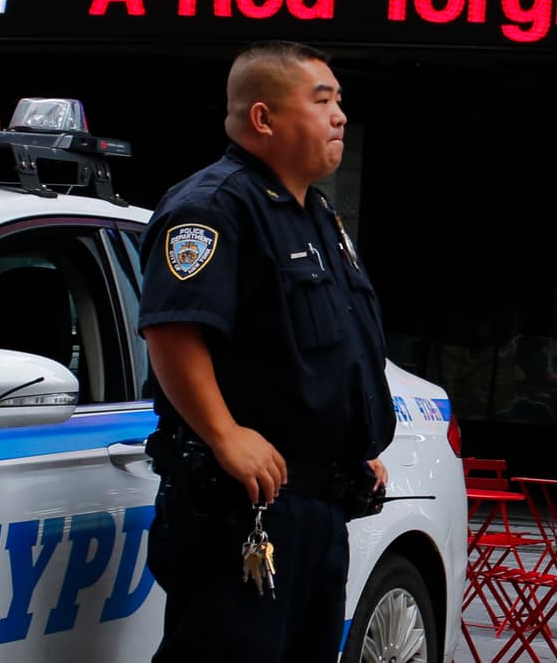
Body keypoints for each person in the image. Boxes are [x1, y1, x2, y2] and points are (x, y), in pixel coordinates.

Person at [138, 40, 397, 662]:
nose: (340, 116)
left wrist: (350, 446)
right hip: (242, 506)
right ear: (264, 117)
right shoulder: (214, 206)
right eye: (322, 101)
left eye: (340, 102)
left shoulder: (318, 216)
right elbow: (173, 331)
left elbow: (324, 351)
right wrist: (224, 433)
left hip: (316, 507)